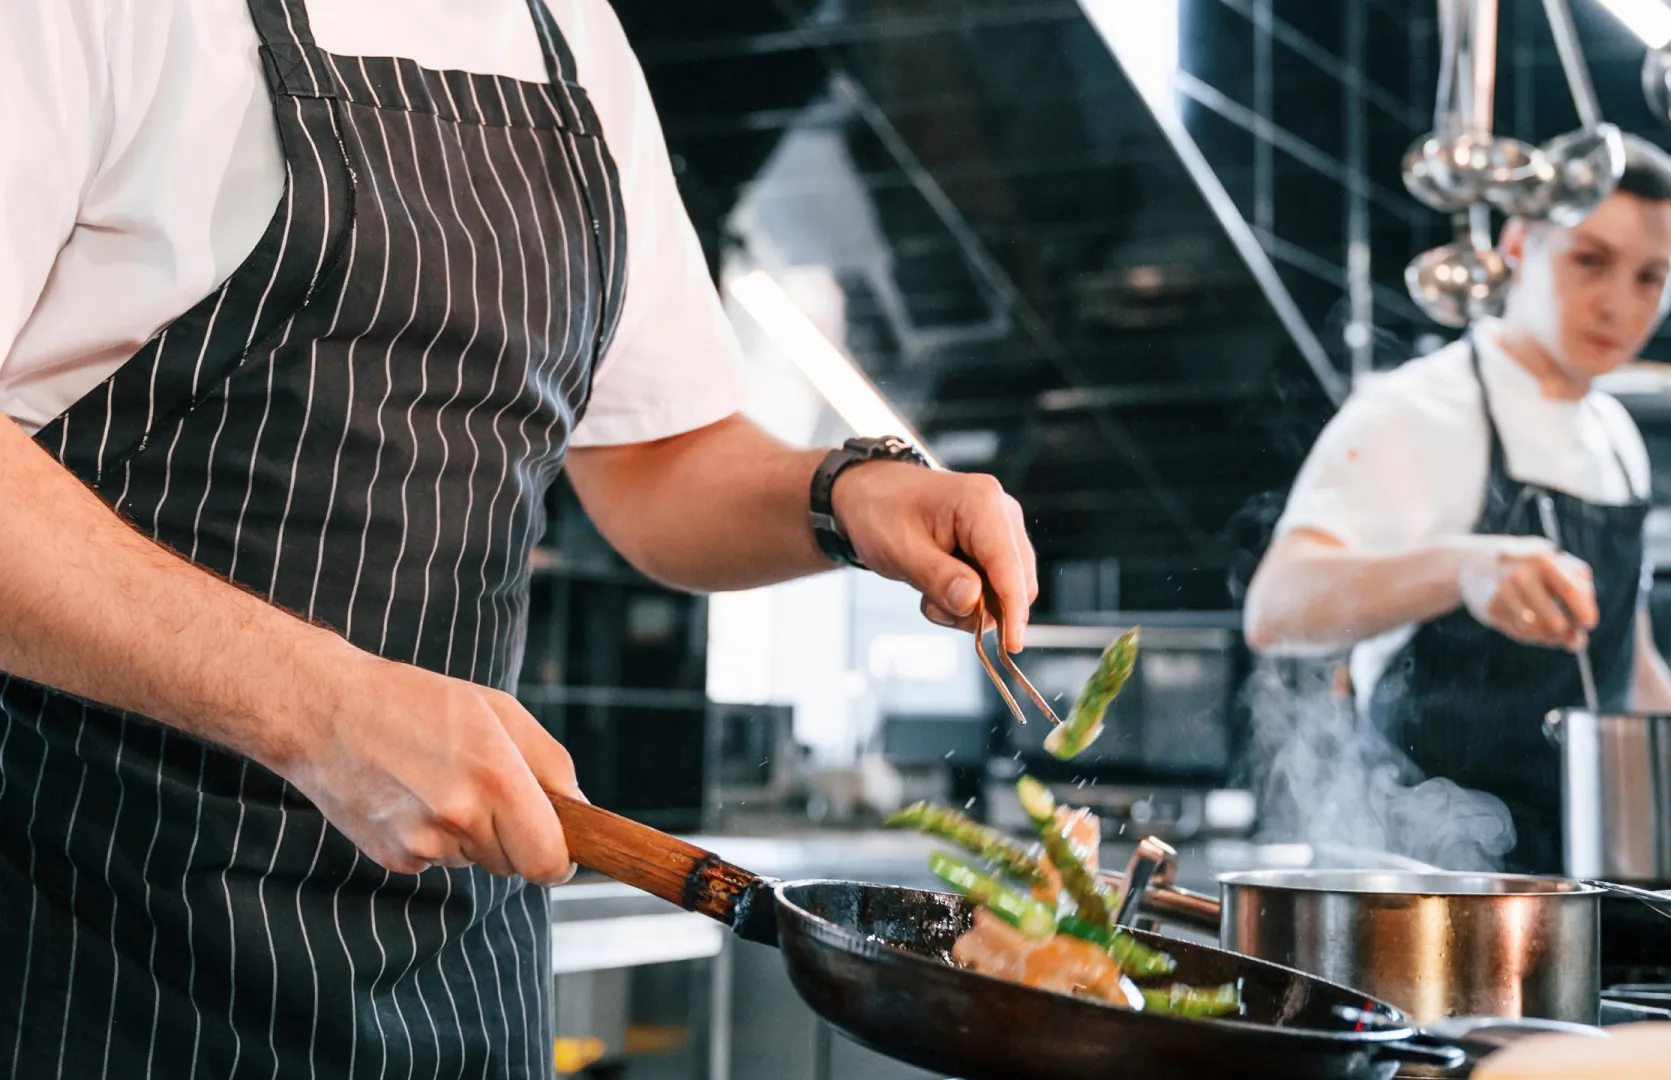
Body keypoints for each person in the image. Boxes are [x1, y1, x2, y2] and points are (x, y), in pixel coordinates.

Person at [0, 1, 1037, 1075]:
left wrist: (847, 493)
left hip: (464, 968)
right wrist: (320, 707)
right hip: (91, 933)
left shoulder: (572, 34)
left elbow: (657, 455)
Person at [1242, 137, 1671, 875]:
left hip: (1585, 871)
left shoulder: (1617, 437)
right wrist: (1461, 568)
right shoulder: (1418, 409)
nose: (1621, 302)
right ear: (1517, 244)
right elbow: (1276, 607)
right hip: (1427, 873)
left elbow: (1627, 661)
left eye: (1651, 277)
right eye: (1589, 260)